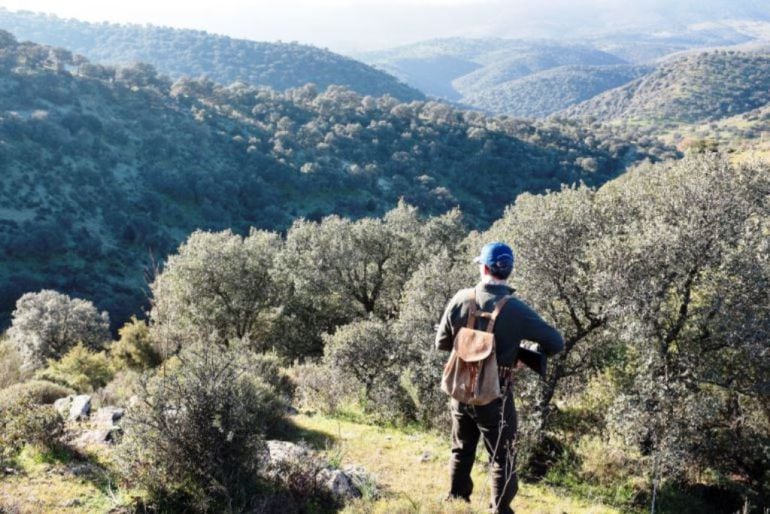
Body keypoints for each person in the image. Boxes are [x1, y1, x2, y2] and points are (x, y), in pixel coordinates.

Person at [435, 241, 564, 514]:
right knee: (502, 456)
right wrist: (520, 355)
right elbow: (555, 342)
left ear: (483, 267)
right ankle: (500, 510)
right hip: (496, 394)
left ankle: (457, 501)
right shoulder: (516, 309)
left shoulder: (461, 298)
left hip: (460, 389)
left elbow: (442, 343)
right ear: (509, 271)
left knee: (461, 447)